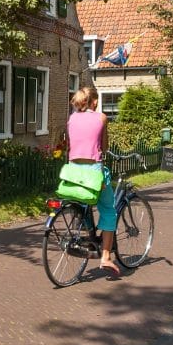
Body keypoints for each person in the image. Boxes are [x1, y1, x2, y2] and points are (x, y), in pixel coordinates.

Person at [65, 86, 120, 276]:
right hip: (93, 172)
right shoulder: (101, 118)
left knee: (84, 201)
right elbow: (104, 148)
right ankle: (105, 256)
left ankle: (89, 234)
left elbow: (70, 145)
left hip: (73, 171)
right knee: (108, 209)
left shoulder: (71, 118)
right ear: (94, 101)